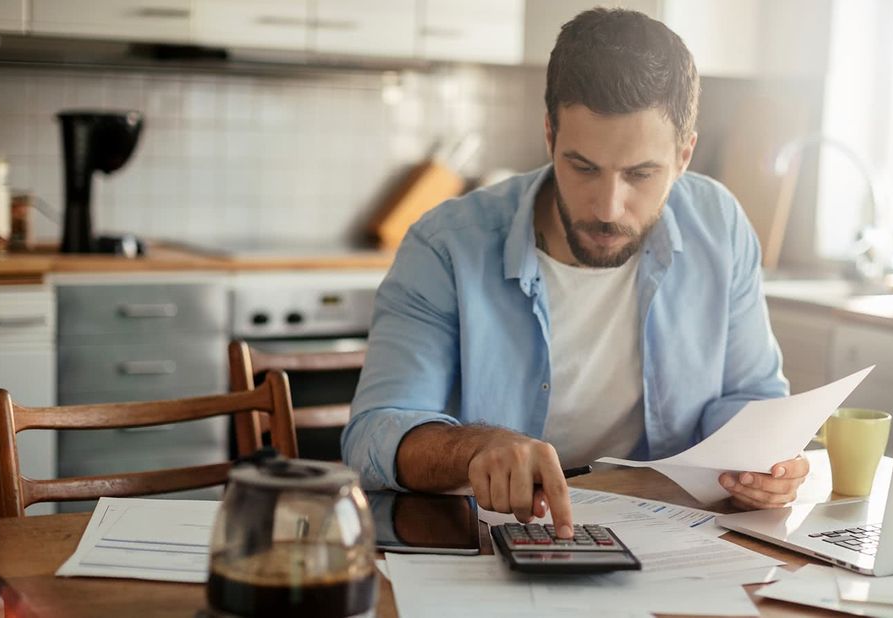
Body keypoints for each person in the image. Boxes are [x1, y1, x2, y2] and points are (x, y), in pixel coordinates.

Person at [342, 8, 808, 539]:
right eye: (583, 167)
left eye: (640, 174)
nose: (608, 207)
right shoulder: (447, 244)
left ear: (683, 156)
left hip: (663, 536)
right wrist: (478, 448)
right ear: (549, 136)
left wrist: (764, 463)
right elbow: (374, 435)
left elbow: (750, 394)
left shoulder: (719, 226)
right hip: (485, 542)